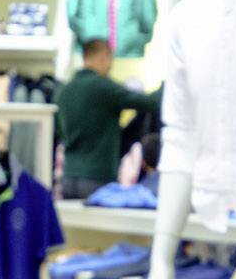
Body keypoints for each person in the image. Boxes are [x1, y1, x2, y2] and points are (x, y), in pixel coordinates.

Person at [54, 39, 159, 200]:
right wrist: (171, 82)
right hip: (97, 179)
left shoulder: (64, 91)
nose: (111, 66)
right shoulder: (103, 87)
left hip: (68, 179)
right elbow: (149, 102)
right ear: (104, 57)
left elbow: (59, 131)